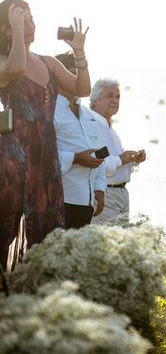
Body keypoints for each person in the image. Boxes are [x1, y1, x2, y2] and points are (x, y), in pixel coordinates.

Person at [0, 0, 92, 270]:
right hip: (13, 159)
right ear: (6, 29)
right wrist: (17, 32)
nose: (31, 23)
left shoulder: (48, 62)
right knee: (6, 228)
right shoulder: (5, 61)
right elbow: (15, 69)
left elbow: (82, 88)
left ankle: (39, 293)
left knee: (46, 229)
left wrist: (79, 53)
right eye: (23, 19)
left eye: (31, 18)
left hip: (45, 159)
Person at [54, 52, 106, 229]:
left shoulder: (89, 116)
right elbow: (41, 155)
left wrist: (100, 189)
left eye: (79, 74)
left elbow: (97, 152)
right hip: (59, 200)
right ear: (58, 77)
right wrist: (76, 158)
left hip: (87, 202)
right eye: (71, 74)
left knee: (77, 256)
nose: (78, 79)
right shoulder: (49, 112)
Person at [89, 78, 146, 223]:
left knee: (120, 243)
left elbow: (116, 161)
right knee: (108, 243)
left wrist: (133, 160)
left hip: (120, 194)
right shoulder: (92, 125)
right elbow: (94, 161)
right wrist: (122, 159)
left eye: (118, 96)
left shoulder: (109, 128)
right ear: (95, 100)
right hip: (106, 195)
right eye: (110, 96)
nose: (115, 100)